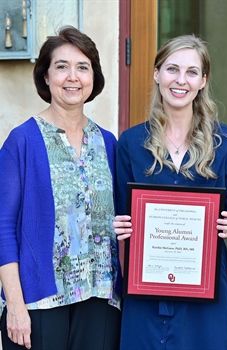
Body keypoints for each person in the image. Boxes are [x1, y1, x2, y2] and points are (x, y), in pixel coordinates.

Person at [113, 34, 227, 349]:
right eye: (172, 69)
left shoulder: (226, 143)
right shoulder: (131, 143)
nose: (180, 80)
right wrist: (120, 226)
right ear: (157, 74)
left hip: (204, 294)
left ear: (203, 80)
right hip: (146, 289)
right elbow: (122, 215)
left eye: (191, 72)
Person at [0, 26, 122, 350]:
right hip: (38, 302)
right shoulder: (22, 141)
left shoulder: (108, 143)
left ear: (93, 78)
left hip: (101, 297)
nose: (73, 77)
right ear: (45, 77)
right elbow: (2, 229)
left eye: (83, 67)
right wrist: (14, 305)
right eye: (62, 66)